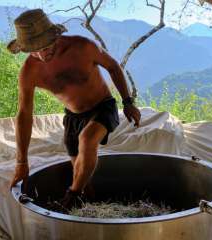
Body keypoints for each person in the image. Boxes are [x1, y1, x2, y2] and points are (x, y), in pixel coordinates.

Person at [8, 9, 141, 210]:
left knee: (87, 140)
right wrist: (21, 163)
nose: (42, 54)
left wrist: (128, 102)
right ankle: (96, 210)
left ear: (55, 36)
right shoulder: (29, 71)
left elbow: (113, 67)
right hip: (72, 118)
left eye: (45, 46)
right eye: (34, 49)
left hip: (103, 107)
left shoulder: (83, 47)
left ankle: (71, 197)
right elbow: (24, 115)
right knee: (81, 176)